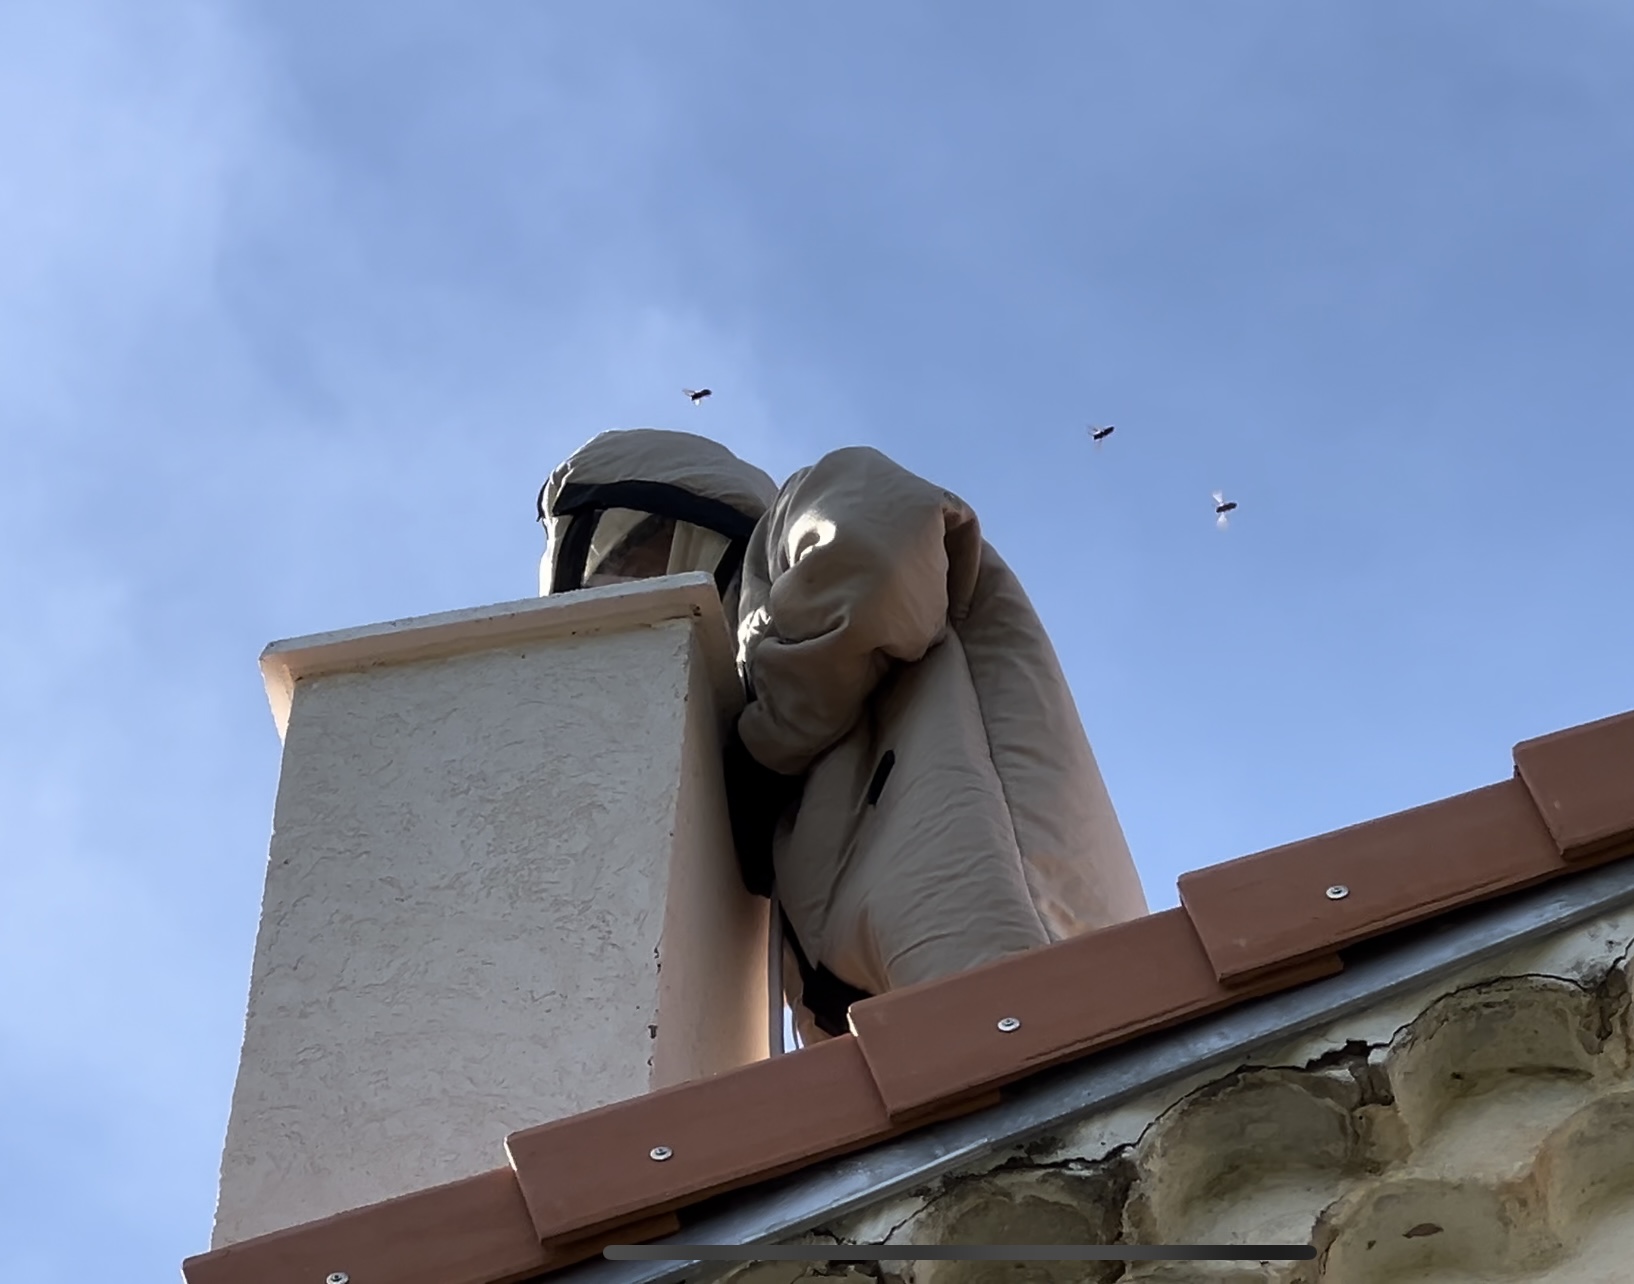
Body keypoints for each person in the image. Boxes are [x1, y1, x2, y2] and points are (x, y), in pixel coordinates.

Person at [539, 430, 1149, 1045]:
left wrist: (763, 747)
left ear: (675, 523)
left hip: (998, 952)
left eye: (622, 561)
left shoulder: (794, 521)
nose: (618, 587)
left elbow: (880, 549)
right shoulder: (745, 698)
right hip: (939, 1013)